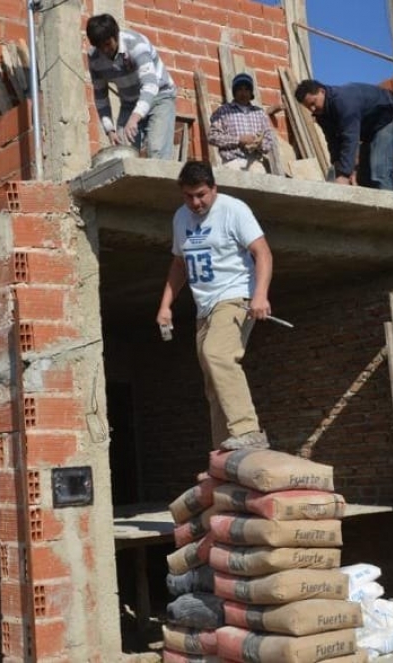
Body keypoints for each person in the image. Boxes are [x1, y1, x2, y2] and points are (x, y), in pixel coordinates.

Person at [156, 161, 274, 451]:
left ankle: (248, 430)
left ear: (213, 188)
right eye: (188, 196)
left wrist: (260, 295)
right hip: (204, 307)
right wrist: (165, 305)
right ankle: (225, 447)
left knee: (217, 355)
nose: (195, 203)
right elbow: (180, 263)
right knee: (213, 380)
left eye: (201, 195)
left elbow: (263, 253)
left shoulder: (234, 210)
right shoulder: (180, 218)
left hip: (235, 297)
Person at [86, 13, 177, 160]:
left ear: (115, 36)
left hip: (159, 96)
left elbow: (150, 85)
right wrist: (109, 129)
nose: (105, 50)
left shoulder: (136, 44)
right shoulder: (94, 58)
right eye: (99, 47)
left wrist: (134, 118)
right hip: (129, 103)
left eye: (107, 44)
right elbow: (100, 96)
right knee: (123, 153)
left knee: (156, 151)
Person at [294, 79, 393, 190]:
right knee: (363, 178)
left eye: (313, 103)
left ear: (322, 91)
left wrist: (344, 175)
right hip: (368, 130)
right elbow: (333, 142)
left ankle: (392, 207)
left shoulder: (343, 101)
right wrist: (339, 169)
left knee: (380, 172)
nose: (312, 109)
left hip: (386, 116)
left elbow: (350, 138)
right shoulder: (321, 115)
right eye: (308, 107)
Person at [209, 73, 279, 175]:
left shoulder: (260, 113)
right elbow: (212, 137)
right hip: (232, 164)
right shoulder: (223, 111)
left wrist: (258, 144)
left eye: (247, 89)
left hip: (256, 165)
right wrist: (239, 140)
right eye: (240, 89)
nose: (243, 93)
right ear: (234, 92)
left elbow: (269, 142)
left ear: (251, 93)